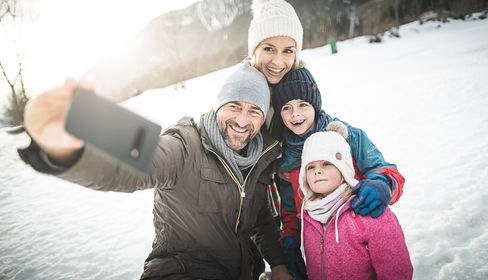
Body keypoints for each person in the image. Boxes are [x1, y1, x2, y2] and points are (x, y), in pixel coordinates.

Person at [18, 63, 293, 280]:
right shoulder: (185, 146)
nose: (243, 120)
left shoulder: (259, 158)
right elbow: (130, 167)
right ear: (219, 106)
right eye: (234, 106)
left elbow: (259, 221)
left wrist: (278, 264)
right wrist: (63, 145)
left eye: (254, 110)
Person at [271, 67, 406, 278]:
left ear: (315, 105)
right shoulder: (286, 157)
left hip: (358, 243)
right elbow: (291, 210)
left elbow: (386, 170)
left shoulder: (349, 137)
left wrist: (382, 183)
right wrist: (290, 240)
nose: (295, 114)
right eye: (286, 107)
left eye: (303, 105)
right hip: (319, 252)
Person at [298, 130, 413, 279]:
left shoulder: (368, 211)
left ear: (343, 168)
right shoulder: (307, 217)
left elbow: (397, 273)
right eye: (310, 167)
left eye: (326, 164)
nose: (317, 171)